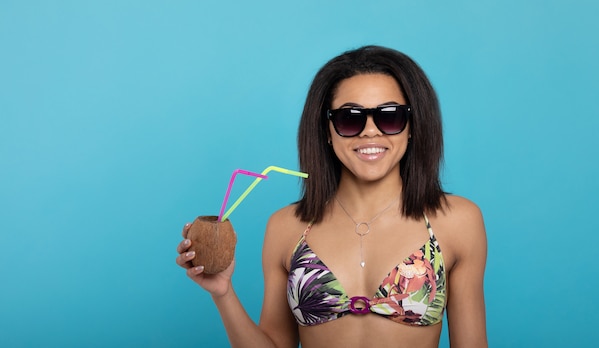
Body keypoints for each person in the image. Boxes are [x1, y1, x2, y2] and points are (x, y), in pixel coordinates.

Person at [176, 45, 488, 348]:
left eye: (389, 116)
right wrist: (223, 293)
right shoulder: (287, 227)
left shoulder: (457, 222)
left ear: (412, 126)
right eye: (350, 118)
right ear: (327, 130)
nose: (370, 132)